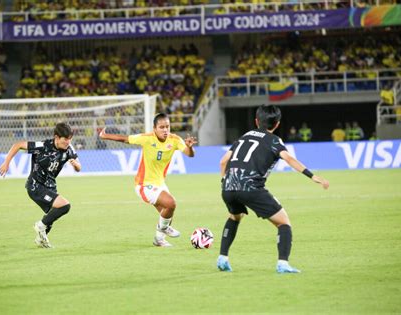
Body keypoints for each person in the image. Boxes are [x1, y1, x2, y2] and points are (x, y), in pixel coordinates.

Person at [216, 105, 329, 273]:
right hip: (251, 187)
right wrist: (312, 176)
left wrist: (224, 181)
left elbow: (223, 161)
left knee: (234, 217)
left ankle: (222, 258)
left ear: (256, 121)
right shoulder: (275, 141)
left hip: (228, 187)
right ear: (277, 124)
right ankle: (283, 264)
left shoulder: (244, 136)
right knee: (284, 223)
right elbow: (289, 159)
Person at [99, 113, 197, 247]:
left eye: (167, 127)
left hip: (160, 183)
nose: (165, 130)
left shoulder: (174, 140)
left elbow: (189, 154)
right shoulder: (147, 138)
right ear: (154, 128)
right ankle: (163, 228)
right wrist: (105, 136)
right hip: (143, 185)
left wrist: (190, 147)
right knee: (171, 203)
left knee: (167, 212)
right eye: (161, 127)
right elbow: (125, 139)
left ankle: (159, 239)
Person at [0, 122, 81, 248]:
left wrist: (75, 165)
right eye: (65, 139)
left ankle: (40, 240)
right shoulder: (43, 146)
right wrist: (6, 162)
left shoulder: (69, 149)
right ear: (57, 137)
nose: (68, 142)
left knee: (52, 216)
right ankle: (40, 226)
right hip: (35, 186)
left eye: (70, 139)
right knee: (65, 206)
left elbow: (79, 167)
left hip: (50, 186)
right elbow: (18, 145)